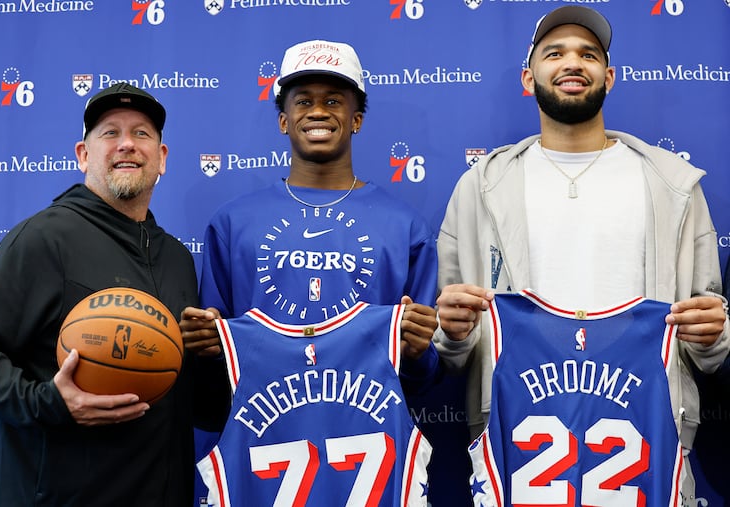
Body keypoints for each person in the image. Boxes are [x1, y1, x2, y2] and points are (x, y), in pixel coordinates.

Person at [432, 5, 729, 504]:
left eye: (588, 54)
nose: (573, 64)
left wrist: (713, 336)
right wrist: (453, 333)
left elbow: (709, 333)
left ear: (608, 76)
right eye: (555, 54)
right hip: (522, 445)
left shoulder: (672, 185)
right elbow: (452, 341)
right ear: (529, 78)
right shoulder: (480, 187)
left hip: (644, 444)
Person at [0, 83, 224, 506]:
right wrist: (45, 402)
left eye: (142, 133)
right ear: (83, 155)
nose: (127, 144)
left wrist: (211, 356)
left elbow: (198, 407)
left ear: (161, 159)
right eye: (110, 132)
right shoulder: (45, 237)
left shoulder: (178, 259)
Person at [182, 39, 439, 390]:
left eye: (333, 100)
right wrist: (205, 345)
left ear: (356, 120)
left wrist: (418, 349)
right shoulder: (233, 222)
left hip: (367, 428)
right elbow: (212, 359)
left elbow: (424, 369)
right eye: (304, 101)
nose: (318, 111)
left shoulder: (405, 227)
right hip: (265, 424)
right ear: (284, 121)